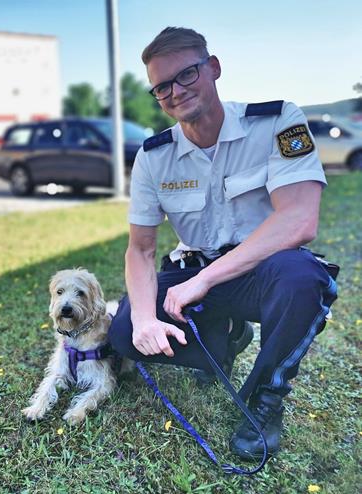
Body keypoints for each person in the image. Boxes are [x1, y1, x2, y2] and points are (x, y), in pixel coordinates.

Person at [108, 26, 338, 460]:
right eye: (162, 87)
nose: (176, 91)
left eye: (187, 74)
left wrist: (205, 281)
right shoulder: (153, 156)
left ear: (213, 68)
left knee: (302, 278)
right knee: (123, 333)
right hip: (194, 269)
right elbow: (139, 249)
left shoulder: (278, 121)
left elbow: (300, 218)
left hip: (262, 271)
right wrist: (142, 319)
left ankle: (264, 401)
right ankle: (223, 343)